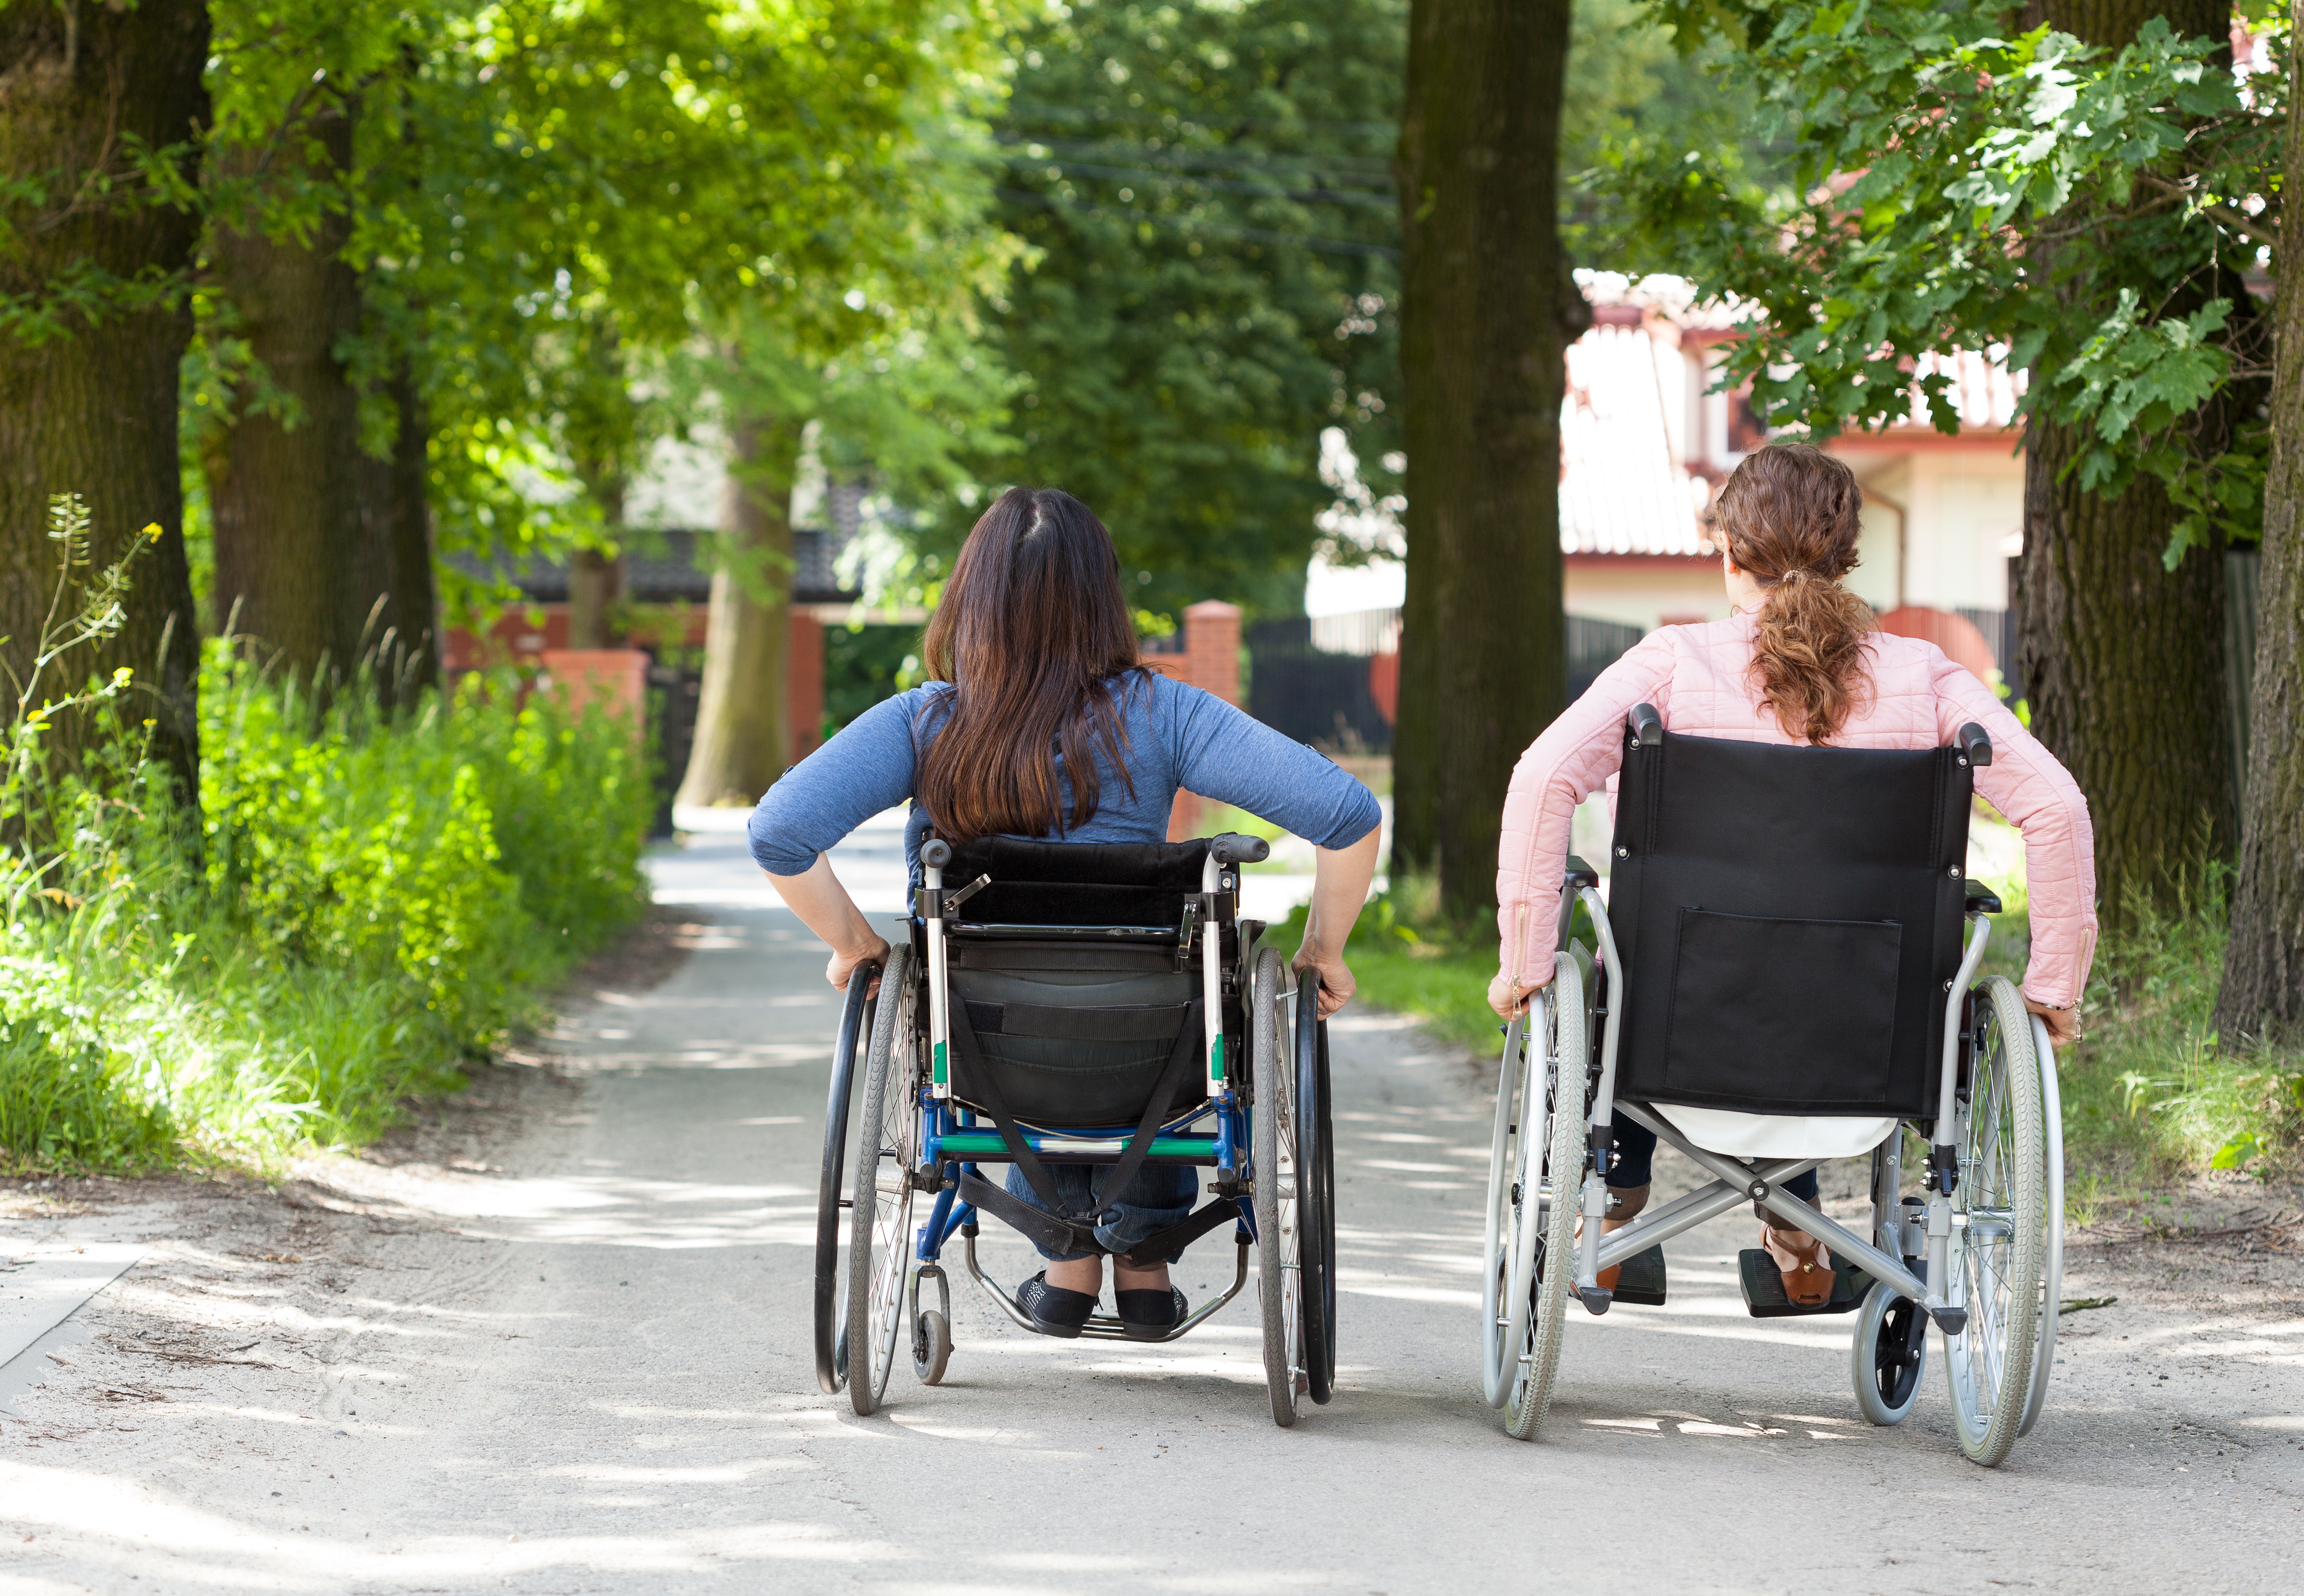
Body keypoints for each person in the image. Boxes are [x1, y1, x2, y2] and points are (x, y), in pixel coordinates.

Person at [751, 486, 1383, 1336]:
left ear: (969, 600)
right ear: (1103, 601)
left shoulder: (926, 720)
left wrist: (858, 946)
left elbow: (780, 830)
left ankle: (1066, 1262)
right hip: (1151, 1045)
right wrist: (1322, 951)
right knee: (1160, 1004)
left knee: (1010, 1005)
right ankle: (1144, 1260)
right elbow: (1346, 814)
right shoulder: (1165, 712)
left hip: (984, 1043)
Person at [1489, 443, 2095, 1307]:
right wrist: (2052, 985)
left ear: (1729, 554)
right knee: (1821, 963)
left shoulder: (1670, 665)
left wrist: (1524, 958)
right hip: (1870, 1046)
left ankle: (1613, 1207)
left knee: (1642, 965)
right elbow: (2057, 809)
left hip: (1674, 1032)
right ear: (1847, 556)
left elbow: (1544, 777)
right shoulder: (1923, 678)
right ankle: (1799, 1238)